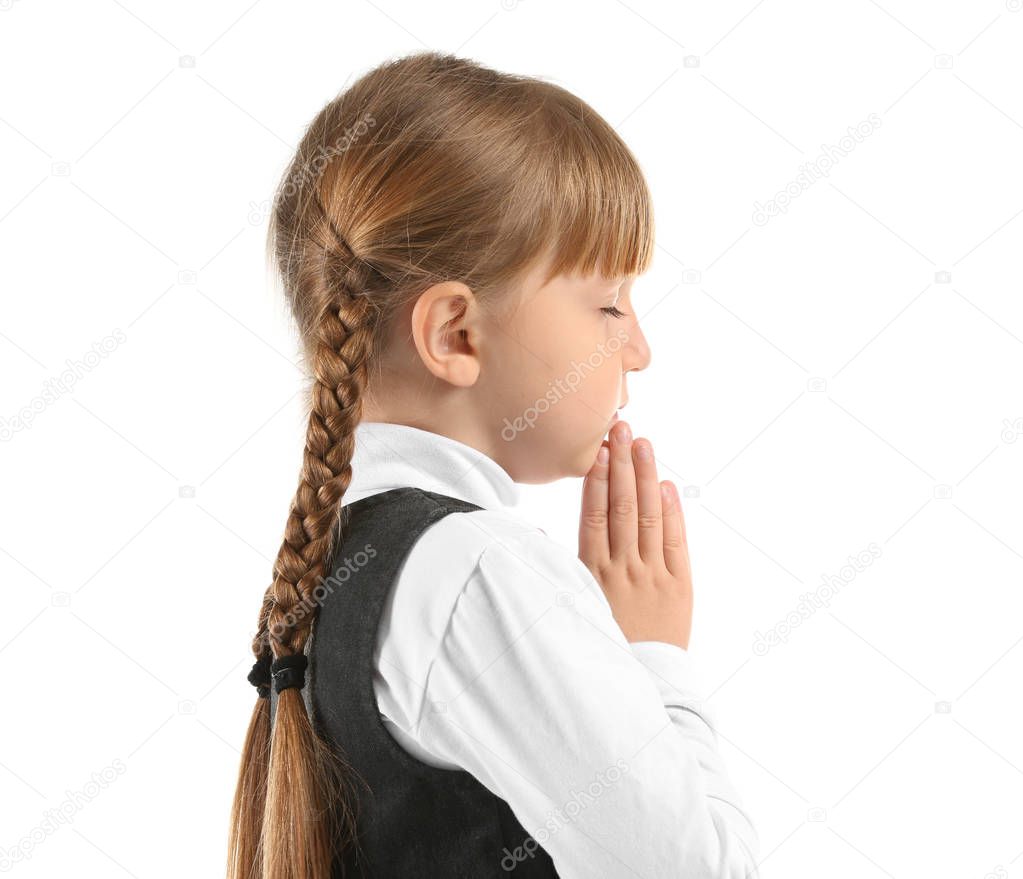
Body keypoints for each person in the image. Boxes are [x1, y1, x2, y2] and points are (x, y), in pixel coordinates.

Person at [226, 49, 760, 879]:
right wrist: (653, 655)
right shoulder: (477, 570)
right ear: (455, 335)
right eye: (608, 305)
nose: (639, 348)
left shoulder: (343, 566)